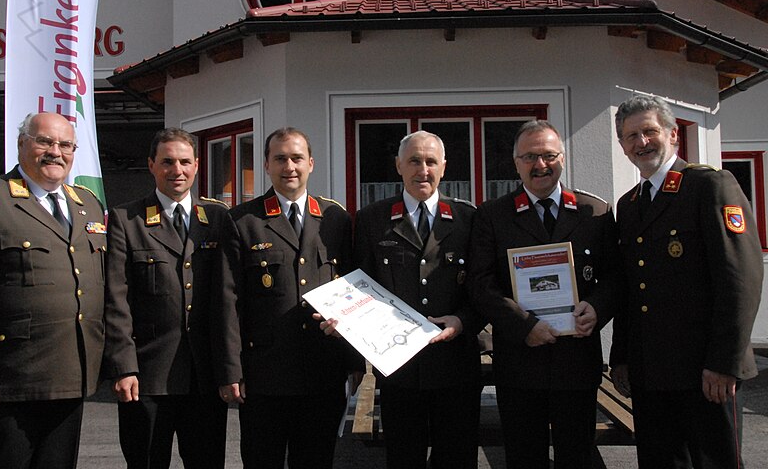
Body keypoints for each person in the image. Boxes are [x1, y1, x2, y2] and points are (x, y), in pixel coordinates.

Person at [609, 95, 762, 468]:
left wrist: (724, 362)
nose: (641, 143)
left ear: (673, 135)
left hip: (705, 372)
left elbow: (740, 279)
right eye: (631, 136)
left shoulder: (709, 186)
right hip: (651, 373)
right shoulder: (629, 206)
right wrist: (622, 358)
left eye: (649, 131)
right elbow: (633, 289)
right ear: (622, 145)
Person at [469, 120, 620, 469]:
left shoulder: (594, 212)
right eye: (530, 156)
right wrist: (524, 326)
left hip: (577, 362)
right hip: (520, 363)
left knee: (577, 456)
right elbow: (480, 283)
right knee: (524, 457)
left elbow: (615, 276)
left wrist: (597, 309)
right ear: (516, 162)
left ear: (562, 158)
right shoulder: (493, 215)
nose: (540, 165)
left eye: (549, 155)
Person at [218, 127, 363, 469]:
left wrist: (355, 361)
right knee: (261, 460)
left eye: (297, 158)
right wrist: (231, 370)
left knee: (316, 461)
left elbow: (354, 292)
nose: (290, 166)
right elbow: (228, 301)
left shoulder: (335, 218)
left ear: (311, 163)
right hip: (265, 376)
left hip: (323, 372)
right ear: (267, 164)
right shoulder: (243, 221)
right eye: (280, 158)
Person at [0, 112, 106, 469]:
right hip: (12, 380)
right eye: (44, 141)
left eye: (65, 145)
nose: (55, 152)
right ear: (21, 144)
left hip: (71, 376)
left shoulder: (86, 204)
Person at [103, 128, 237, 468]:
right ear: (151, 165)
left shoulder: (218, 218)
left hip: (204, 377)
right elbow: (116, 299)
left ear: (196, 166)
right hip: (147, 376)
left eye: (184, 162)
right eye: (167, 162)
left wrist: (230, 368)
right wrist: (123, 366)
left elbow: (229, 297)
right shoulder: (126, 219)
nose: (176, 170)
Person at [347, 130, 482, 469]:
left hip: (456, 368)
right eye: (414, 161)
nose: (423, 170)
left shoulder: (468, 219)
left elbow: (483, 287)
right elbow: (359, 287)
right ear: (398, 166)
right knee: (403, 458)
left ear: (444, 167)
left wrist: (463, 321)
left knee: (456, 458)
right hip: (399, 370)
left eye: (431, 161)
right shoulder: (371, 220)